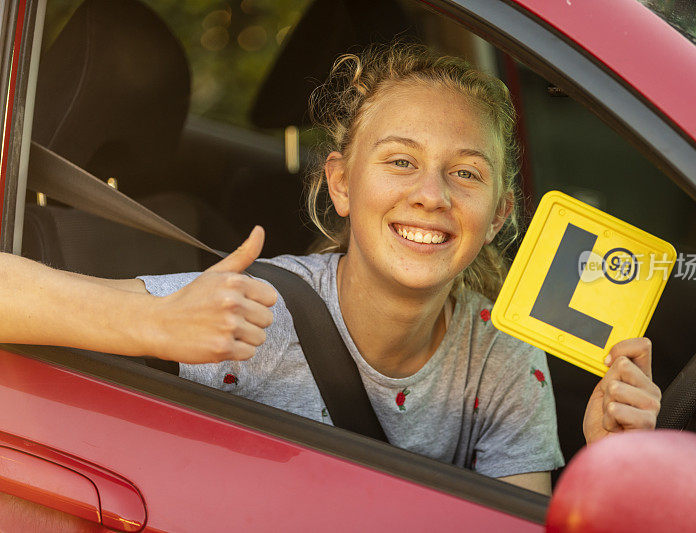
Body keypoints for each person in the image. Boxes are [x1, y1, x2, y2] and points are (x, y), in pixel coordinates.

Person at [0, 44, 661, 495]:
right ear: (341, 184)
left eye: (465, 172)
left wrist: (606, 462)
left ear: (498, 214)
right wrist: (156, 321)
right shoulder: (253, 313)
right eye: (400, 161)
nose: (432, 193)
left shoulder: (505, 360)